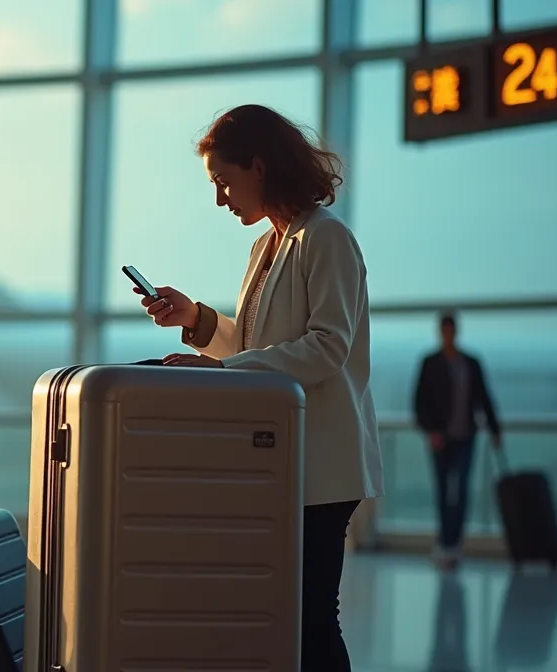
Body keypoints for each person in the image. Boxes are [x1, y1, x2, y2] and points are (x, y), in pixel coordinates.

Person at [138, 104, 383, 672]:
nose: (221, 199)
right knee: (291, 615)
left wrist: (221, 373)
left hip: (321, 465)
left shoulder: (326, 240)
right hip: (284, 463)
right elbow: (257, 346)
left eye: (224, 182)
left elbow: (325, 348)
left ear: (260, 166)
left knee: (312, 616)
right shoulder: (269, 247)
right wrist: (196, 319)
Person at [412, 312, 501, 570]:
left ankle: (453, 542)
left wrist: (495, 429)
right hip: (441, 438)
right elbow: (419, 402)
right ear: (442, 333)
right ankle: (445, 541)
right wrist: (431, 431)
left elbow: (484, 397)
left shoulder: (470, 363)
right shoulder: (430, 363)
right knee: (443, 491)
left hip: (465, 437)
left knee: (460, 489)